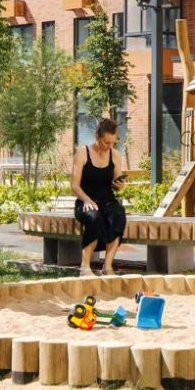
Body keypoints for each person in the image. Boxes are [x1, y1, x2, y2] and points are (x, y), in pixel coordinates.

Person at [71, 118, 127, 276]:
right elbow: (74, 185)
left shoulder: (115, 155)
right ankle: (85, 267)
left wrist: (119, 185)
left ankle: (107, 267)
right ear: (97, 136)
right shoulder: (83, 153)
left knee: (118, 215)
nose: (109, 146)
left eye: (112, 142)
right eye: (106, 142)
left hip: (107, 200)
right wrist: (87, 200)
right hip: (85, 200)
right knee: (94, 218)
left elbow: (117, 184)